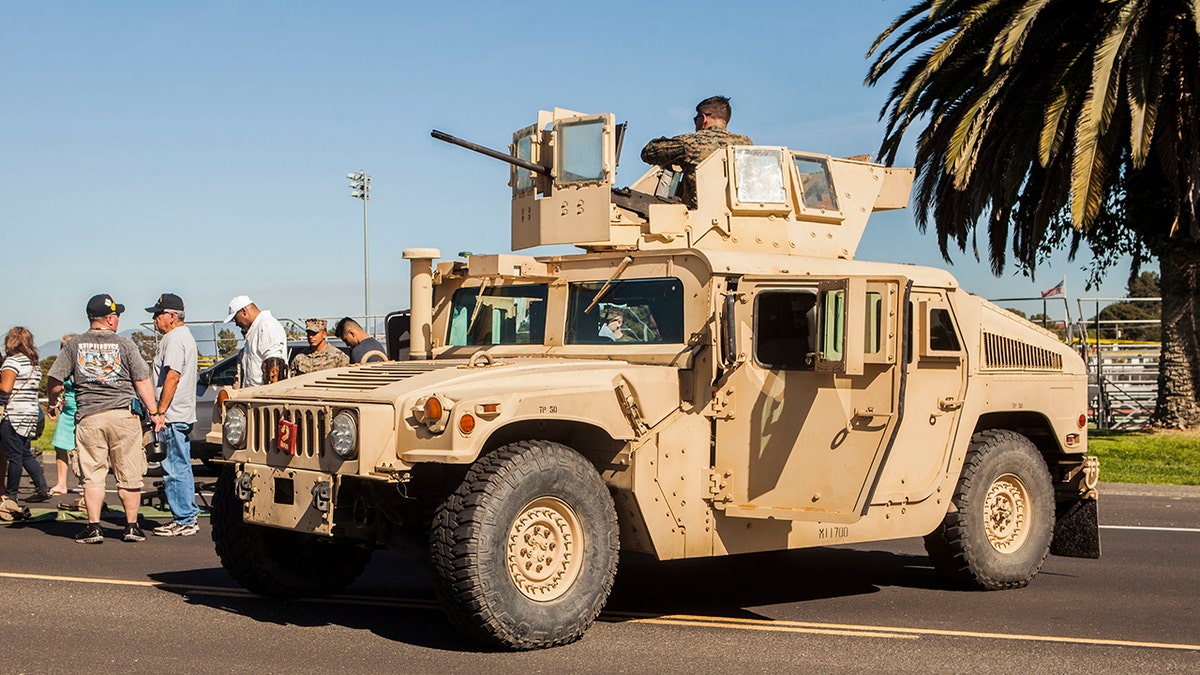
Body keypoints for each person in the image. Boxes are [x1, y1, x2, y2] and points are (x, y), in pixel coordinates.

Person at [47, 294, 163, 544]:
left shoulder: (74, 345)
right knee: (129, 474)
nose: (118, 319)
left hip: (90, 416)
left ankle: (94, 527)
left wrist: (54, 400)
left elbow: (55, 380)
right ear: (110, 319)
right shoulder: (125, 344)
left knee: (93, 475)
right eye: (117, 315)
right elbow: (141, 381)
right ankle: (131, 527)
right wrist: (154, 413)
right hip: (124, 415)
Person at [145, 293, 200, 537]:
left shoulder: (174, 339)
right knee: (180, 466)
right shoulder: (181, 337)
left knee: (175, 468)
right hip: (179, 413)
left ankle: (185, 519)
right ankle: (186, 516)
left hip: (172, 414)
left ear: (172, 316)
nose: (155, 320)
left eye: (158, 314)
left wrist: (160, 411)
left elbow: (173, 375)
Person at [640, 95, 753, 208]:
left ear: (704, 119)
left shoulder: (691, 143)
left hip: (698, 217)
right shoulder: (745, 144)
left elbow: (649, 152)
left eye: (696, 119)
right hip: (740, 214)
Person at [0, 327, 50, 503]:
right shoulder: (33, 364)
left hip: (15, 413)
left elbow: (5, 388)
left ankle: (10, 494)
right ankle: (42, 487)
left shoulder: (12, 362)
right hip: (31, 413)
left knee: (13, 456)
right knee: (25, 453)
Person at [226, 295, 286, 388]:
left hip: (265, 395)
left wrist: (271, 396)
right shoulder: (255, 329)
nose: (236, 324)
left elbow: (275, 367)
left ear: (244, 311)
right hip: (255, 394)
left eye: (235, 319)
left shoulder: (266, 325)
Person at [48, 334, 80, 496]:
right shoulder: (64, 365)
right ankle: (61, 483)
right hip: (67, 409)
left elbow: (57, 384)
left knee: (83, 447)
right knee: (60, 445)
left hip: (81, 407)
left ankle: (86, 484)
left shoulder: (81, 363)